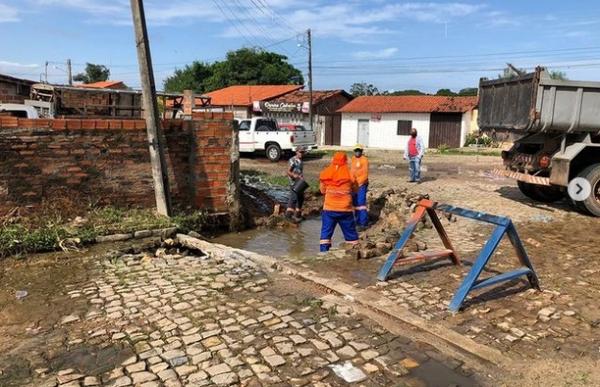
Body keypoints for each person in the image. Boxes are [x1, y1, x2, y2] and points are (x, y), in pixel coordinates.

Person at [319, 152, 359, 252]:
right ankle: (353, 252)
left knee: (326, 233)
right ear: (345, 161)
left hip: (329, 209)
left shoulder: (326, 173)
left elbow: (322, 190)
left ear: (333, 160)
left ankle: (324, 253)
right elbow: (355, 190)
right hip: (345, 209)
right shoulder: (350, 174)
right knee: (350, 234)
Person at [350, 144, 369, 230]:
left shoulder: (364, 160)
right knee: (355, 203)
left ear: (361, 151)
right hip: (354, 184)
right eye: (356, 150)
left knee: (361, 203)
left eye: (359, 150)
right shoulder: (353, 159)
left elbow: (365, 174)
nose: (357, 152)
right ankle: (357, 221)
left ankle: (363, 223)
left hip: (361, 184)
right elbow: (351, 172)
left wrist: (359, 184)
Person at [286, 146, 306, 222]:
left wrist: (301, 178)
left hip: (300, 182)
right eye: (300, 152)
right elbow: (288, 171)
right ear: (296, 152)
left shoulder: (301, 161)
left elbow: (300, 171)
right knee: (293, 198)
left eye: (303, 152)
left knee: (301, 198)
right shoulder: (292, 160)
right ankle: (288, 216)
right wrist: (295, 176)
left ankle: (298, 215)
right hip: (294, 182)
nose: (301, 154)